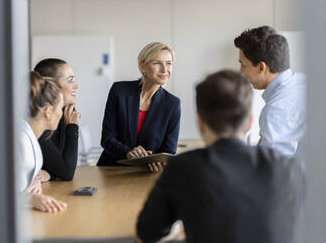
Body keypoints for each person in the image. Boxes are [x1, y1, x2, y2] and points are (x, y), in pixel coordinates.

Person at [137, 70, 304, 242]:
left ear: (200, 123)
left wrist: (176, 229)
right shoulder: (287, 167)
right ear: (249, 122)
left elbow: (147, 232)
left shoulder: (182, 168)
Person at [97, 42, 181, 171]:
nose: (165, 69)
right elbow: (107, 138)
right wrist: (128, 152)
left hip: (146, 172)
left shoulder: (172, 104)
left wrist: (157, 161)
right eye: (157, 63)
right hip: (112, 169)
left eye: (169, 63)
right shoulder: (119, 91)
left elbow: (169, 150)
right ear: (143, 67)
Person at [234, 26, 306, 156]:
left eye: (243, 65)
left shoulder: (277, 110)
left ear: (262, 67)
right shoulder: (302, 82)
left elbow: (268, 168)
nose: (241, 72)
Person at [18, 71, 67, 213]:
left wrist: (34, 179)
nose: (62, 114)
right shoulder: (19, 139)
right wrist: (30, 198)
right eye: (61, 108)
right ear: (48, 111)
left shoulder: (31, 135)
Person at [34, 58, 80, 181]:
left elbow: (61, 167)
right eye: (70, 80)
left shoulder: (65, 113)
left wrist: (51, 174)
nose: (76, 85)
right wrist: (72, 127)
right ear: (52, 87)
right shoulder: (38, 120)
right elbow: (66, 172)